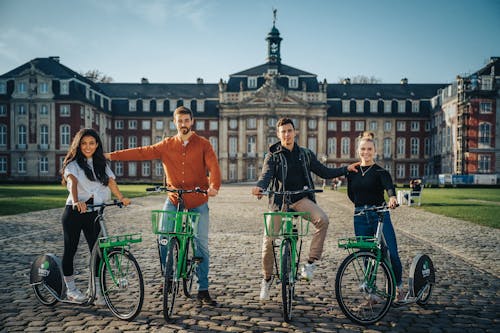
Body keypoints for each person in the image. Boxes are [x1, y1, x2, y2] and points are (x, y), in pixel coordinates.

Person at [105, 106, 221, 306]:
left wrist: (214, 186)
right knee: (163, 236)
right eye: (179, 121)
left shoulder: (203, 144)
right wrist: (110, 156)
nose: (183, 124)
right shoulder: (166, 145)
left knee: (200, 243)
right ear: (174, 123)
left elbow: (213, 166)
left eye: (186, 120)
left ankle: (203, 289)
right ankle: (168, 277)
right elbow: (141, 152)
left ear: (192, 121)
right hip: (174, 198)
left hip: (198, 200)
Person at [251, 117, 358, 301]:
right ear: (278, 134)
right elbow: (266, 174)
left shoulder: (305, 154)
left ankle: (309, 263)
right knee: (268, 241)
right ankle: (267, 279)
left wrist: (346, 169)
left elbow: (324, 172)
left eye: (289, 131)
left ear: (295, 132)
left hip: (300, 199)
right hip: (279, 201)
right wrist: (260, 186)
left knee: (322, 219)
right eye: (283, 131)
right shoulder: (273, 155)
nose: (287, 134)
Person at [60, 128, 131, 304]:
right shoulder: (73, 165)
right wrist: (76, 201)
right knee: (71, 250)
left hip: (94, 213)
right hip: (75, 213)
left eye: (91, 143)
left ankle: (97, 290)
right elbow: (72, 182)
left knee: (98, 252)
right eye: (84, 143)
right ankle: (71, 290)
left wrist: (121, 197)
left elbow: (111, 182)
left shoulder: (101, 164)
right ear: (78, 145)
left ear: (97, 144)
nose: (88, 146)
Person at [346, 136, 404, 303]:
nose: (366, 152)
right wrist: (361, 205)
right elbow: (351, 194)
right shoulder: (353, 173)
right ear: (358, 151)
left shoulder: (381, 172)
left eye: (369, 149)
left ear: (375, 152)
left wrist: (392, 198)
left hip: (380, 215)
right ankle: (371, 291)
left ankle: (398, 286)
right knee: (367, 255)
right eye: (363, 149)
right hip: (359, 217)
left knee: (391, 253)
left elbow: (389, 188)